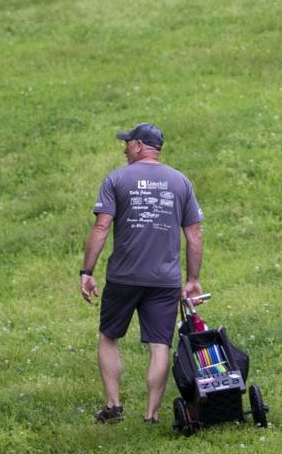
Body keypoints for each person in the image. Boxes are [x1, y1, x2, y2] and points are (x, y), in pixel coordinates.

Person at [79, 123, 204, 425]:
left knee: (109, 336)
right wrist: (192, 279)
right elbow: (195, 235)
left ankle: (113, 406)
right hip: (165, 280)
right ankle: (152, 414)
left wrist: (87, 271)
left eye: (126, 144)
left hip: (124, 277)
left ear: (137, 145)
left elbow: (101, 227)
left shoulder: (117, 179)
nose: (124, 150)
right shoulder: (180, 181)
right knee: (160, 343)